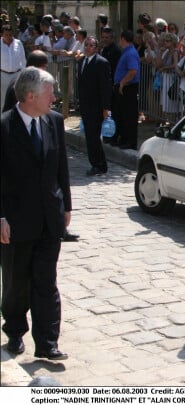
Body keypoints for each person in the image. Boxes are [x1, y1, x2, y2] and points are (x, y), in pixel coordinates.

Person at [1, 66, 72, 360]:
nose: (54, 98)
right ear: (30, 96)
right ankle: (15, 331)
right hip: (15, 221)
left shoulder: (54, 121)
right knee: (17, 281)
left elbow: (61, 168)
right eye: (49, 93)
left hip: (49, 217)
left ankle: (47, 342)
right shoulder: (4, 127)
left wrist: (66, 205)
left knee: (46, 280)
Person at [78, 36, 112, 176]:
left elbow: (105, 87)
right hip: (85, 105)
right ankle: (96, 163)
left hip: (96, 106)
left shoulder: (101, 63)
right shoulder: (82, 62)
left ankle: (99, 164)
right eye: (86, 45)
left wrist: (105, 108)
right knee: (89, 136)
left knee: (94, 136)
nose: (87, 47)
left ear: (96, 48)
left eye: (91, 45)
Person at [114, 30, 140, 149]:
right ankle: (124, 138)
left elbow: (133, 70)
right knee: (122, 114)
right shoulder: (127, 52)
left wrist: (123, 82)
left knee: (129, 115)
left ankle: (130, 141)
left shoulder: (130, 53)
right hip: (124, 86)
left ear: (123, 39)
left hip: (128, 87)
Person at [1, 25, 26, 110]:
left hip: (16, 74)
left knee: (17, 96)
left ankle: (16, 116)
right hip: (3, 74)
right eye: (6, 35)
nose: (8, 37)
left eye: (10, 34)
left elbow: (23, 59)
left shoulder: (18, 43)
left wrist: (23, 74)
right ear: (2, 35)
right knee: (3, 98)